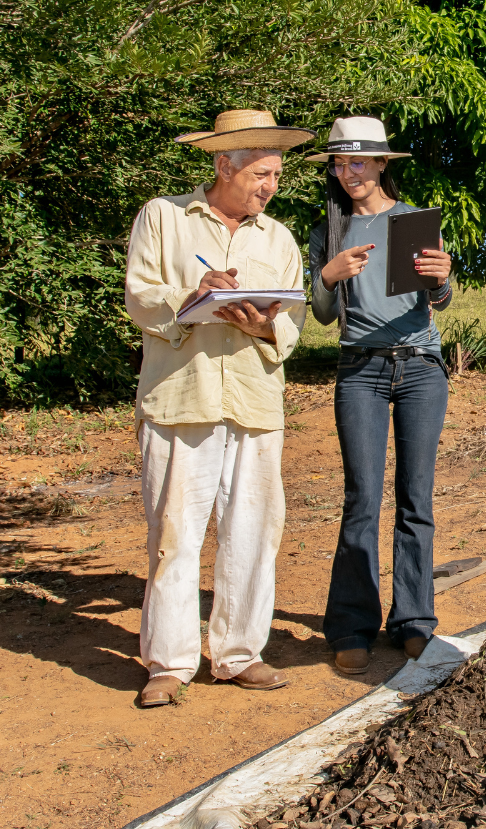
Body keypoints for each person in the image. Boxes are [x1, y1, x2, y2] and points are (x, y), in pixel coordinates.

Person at [124, 109, 315, 708]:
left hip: (255, 402)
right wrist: (194, 295)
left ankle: (239, 654)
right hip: (183, 396)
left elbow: (293, 324)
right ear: (223, 164)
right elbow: (139, 295)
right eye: (260, 173)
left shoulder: (278, 238)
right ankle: (169, 663)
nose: (270, 186)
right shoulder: (164, 217)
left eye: (277, 175)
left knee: (254, 529)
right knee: (174, 533)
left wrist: (263, 326)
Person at [304, 116, 454, 674]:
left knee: (416, 498)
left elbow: (438, 299)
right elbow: (321, 315)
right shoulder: (329, 231)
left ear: (383, 163)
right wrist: (330, 274)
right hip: (359, 369)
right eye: (340, 164)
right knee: (361, 500)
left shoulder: (415, 221)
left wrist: (441, 278)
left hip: (419, 367)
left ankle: (414, 621)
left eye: (358, 161)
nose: (347, 173)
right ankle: (351, 626)